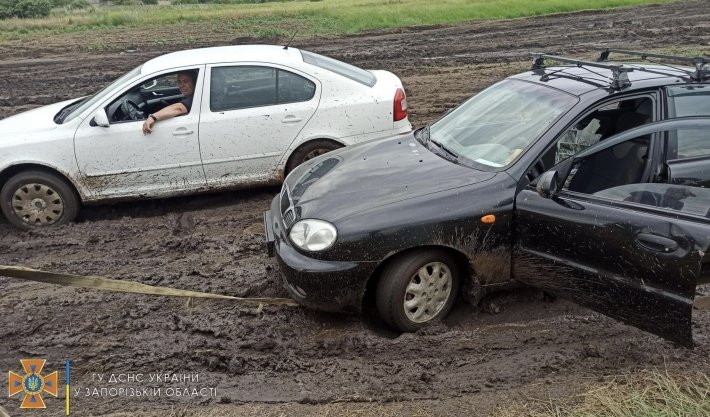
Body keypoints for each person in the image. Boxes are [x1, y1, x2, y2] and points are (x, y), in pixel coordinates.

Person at [142, 71, 197, 135]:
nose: (182, 85)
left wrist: (152, 117)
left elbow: (179, 108)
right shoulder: (190, 96)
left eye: (186, 81)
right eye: (179, 82)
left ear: (195, 82)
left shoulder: (195, 98)